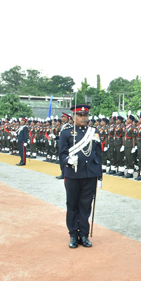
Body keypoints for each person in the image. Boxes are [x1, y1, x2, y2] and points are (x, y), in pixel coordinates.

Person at [58, 104, 103, 248]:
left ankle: (84, 234)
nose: (83, 118)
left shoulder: (94, 132)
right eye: (80, 115)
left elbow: (98, 153)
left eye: (85, 115)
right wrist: (67, 161)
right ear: (74, 117)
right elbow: (62, 153)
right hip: (73, 174)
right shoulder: (66, 133)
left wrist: (99, 174)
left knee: (85, 205)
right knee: (72, 205)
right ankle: (73, 234)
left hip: (90, 174)